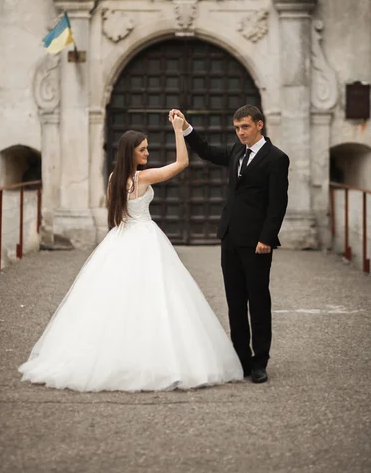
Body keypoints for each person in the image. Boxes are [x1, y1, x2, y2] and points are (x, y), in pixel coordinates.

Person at [19, 114, 243, 392]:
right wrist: (177, 130)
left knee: (116, 299)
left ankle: (115, 356)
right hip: (145, 237)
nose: (148, 153)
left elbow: (116, 216)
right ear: (131, 152)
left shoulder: (115, 177)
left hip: (120, 238)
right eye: (143, 149)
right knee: (156, 297)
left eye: (147, 148)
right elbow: (182, 163)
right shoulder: (142, 177)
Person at [169, 105, 289, 383]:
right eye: (236, 128)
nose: (240, 133)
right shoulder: (237, 151)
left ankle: (260, 362)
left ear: (259, 125)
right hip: (230, 239)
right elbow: (208, 151)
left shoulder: (277, 159)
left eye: (245, 127)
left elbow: (277, 204)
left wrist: (266, 239)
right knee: (235, 304)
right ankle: (241, 360)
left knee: (258, 303)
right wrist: (186, 127)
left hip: (257, 243)